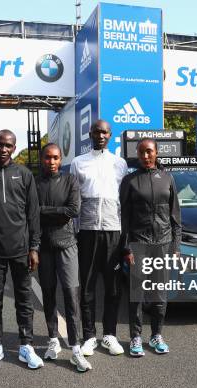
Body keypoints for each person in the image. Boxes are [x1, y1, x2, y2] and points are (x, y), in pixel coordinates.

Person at [0, 129, 43, 370]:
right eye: (0, 144)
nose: (4, 149)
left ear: (14, 148)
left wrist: (34, 247)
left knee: (24, 300)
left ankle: (26, 345)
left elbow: (33, 213)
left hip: (20, 250)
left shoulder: (24, 174)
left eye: (8, 145)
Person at [69, 119, 128, 357]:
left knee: (113, 288)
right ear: (90, 134)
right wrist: (75, 231)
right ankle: (89, 336)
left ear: (110, 135)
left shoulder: (120, 163)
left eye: (104, 132)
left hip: (114, 232)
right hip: (87, 232)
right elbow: (74, 200)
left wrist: (125, 236)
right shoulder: (78, 162)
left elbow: (123, 201)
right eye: (96, 131)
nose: (100, 135)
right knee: (88, 287)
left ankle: (110, 335)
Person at [119, 138, 181, 357]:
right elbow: (124, 217)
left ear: (156, 153)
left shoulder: (167, 178)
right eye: (142, 152)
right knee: (137, 294)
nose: (145, 156)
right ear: (137, 153)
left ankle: (156, 335)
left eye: (149, 152)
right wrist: (126, 247)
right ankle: (135, 336)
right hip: (138, 243)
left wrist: (176, 245)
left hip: (162, 244)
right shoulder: (130, 181)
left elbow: (175, 215)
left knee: (159, 294)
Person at [35, 143, 91, 372]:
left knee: (71, 295)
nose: (52, 162)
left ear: (61, 159)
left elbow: (73, 210)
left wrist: (45, 210)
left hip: (67, 245)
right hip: (44, 248)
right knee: (48, 294)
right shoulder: (35, 183)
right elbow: (32, 212)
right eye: (48, 158)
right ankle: (53, 341)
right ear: (42, 159)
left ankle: (75, 348)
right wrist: (56, 212)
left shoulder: (70, 181)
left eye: (56, 158)